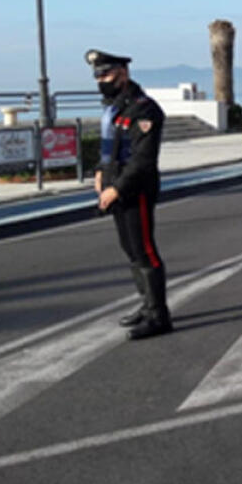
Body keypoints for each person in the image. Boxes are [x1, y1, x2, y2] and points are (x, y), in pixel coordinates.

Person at [86, 48, 172, 340]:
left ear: (123, 74)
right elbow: (109, 149)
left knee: (145, 249)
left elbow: (143, 160)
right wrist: (100, 172)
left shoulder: (143, 109)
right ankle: (147, 305)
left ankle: (159, 316)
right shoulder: (113, 108)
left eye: (106, 74)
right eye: (98, 75)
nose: (101, 80)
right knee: (131, 249)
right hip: (115, 187)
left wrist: (118, 188)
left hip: (136, 189)